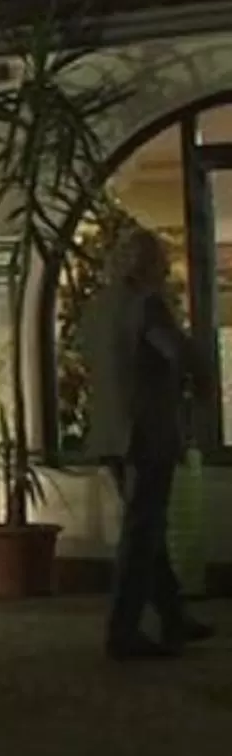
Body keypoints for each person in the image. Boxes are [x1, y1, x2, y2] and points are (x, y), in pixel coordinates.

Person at [78, 228, 215, 659]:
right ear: (151, 264)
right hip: (146, 433)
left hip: (110, 432)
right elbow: (173, 352)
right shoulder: (148, 305)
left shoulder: (97, 308)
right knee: (141, 534)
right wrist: (199, 371)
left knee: (146, 530)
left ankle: (173, 615)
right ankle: (123, 631)